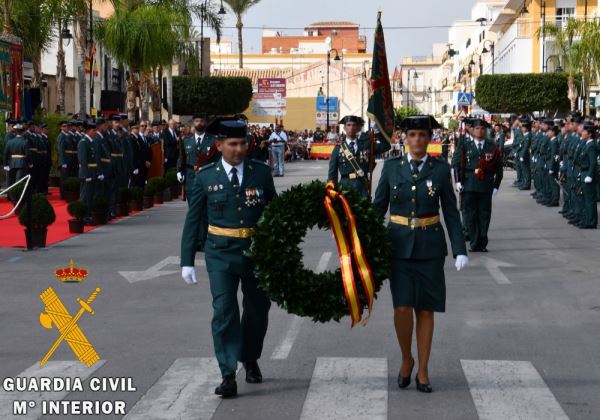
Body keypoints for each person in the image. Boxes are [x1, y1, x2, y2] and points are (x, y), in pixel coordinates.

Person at [180, 119, 276, 398]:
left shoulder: (261, 173)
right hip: (220, 252)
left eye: (243, 143)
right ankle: (227, 373)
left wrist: (279, 250)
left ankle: (250, 357)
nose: (238, 149)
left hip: (256, 252)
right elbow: (193, 218)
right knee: (224, 311)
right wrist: (186, 260)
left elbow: (274, 211)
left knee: (258, 310)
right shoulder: (205, 176)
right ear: (219, 145)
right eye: (232, 144)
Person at [373, 115, 468, 393]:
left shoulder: (440, 169)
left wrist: (459, 249)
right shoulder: (391, 168)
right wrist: (361, 238)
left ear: (429, 139)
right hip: (398, 246)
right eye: (412, 135)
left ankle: (423, 370)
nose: (417, 140)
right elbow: (378, 207)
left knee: (425, 309)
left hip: (430, 248)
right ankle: (406, 358)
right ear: (404, 138)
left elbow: (450, 211)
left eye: (422, 136)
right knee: (402, 307)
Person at [454, 118, 503, 252]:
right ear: (472, 130)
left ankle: (482, 242)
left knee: (484, 215)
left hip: (485, 185)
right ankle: (474, 243)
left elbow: (499, 168)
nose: (479, 131)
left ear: (486, 130)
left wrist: (496, 186)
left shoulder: (492, 146)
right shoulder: (465, 145)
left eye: (482, 129)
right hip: (469, 184)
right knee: (470, 214)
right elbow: (458, 164)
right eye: (477, 128)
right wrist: (458, 181)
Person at [327, 115, 391, 197]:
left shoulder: (366, 145)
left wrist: (377, 131)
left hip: (362, 187)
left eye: (354, 125)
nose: (351, 128)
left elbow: (385, 146)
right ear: (344, 128)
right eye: (348, 125)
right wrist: (332, 193)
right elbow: (332, 174)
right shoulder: (338, 149)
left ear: (357, 128)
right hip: (345, 187)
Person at [177, 113, 219, 206]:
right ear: (193, 123)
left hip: (208, 177)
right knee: (192, 207)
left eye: (202, 121)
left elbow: (217, 160)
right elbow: (181, 157)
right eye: (197, 121)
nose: (199, 123)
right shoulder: (186, 140)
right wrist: (179, 170)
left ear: (205, 123)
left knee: (206, 208)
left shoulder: (213, 140)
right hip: (191, 177)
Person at [78, 121, 99, 224]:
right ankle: (83, 216)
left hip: (93, 171)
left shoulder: (92, 142)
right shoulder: (83, 142)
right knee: (85, 196)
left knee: (91, 196)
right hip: (87, 173)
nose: (95, 132)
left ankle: (88, 215)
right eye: (94, 130)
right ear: (89, 131)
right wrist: (86, 175)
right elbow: (83, 160)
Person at [576, 124, 597, 229]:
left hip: (588, 174)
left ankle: (591, 221)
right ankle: (587, 219)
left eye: (584, 132)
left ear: (589, 134)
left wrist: (590, 175)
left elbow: (593, 163)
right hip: (584, 172)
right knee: (585, 199)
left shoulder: (591, 146)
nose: (582, 133)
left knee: (590, 200)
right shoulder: (586, 144)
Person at [3, 124, 30, 195]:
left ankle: (11, 195)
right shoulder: (25, 141)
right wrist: (30, 163)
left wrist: (5, 164)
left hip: (12, 163)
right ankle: (18, 196)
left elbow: (6, 153)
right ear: (23, 132)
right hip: (22, 163)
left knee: (11, 180)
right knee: (19, 181)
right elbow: (28, 154)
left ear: (15, 132)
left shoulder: (10, 142)